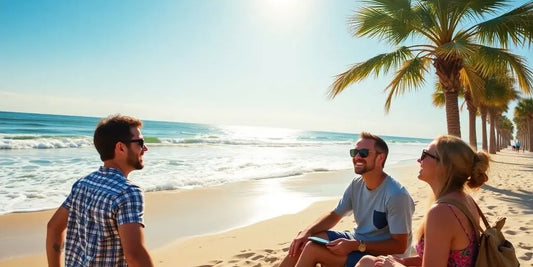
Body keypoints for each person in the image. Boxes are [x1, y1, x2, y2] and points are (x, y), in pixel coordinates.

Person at [279, 132, 415, 267]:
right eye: (354, 152)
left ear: (380, 158)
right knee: (303, 242)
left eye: (363, 153)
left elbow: (399, 246)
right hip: (356, 241)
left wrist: (357, 246)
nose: (356, 157)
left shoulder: (396, 195)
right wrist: (306, 232)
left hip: (380, 258)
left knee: (312, 249)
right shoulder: (356, 184)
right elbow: (334, 215)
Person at [356, 135, 489, 267]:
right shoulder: (464, 199)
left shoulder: (442, 212)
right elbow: (444, 257)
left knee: (367, 263)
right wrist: (403, 261)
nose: (419, 160)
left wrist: (394, 266)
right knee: (368, 261)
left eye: (425, 154)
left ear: (444, 165)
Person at [46, 115, 154, 267]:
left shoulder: (83, 184)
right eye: (140, 143)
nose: (145, 148)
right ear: (121, 147)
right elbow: (134, 256)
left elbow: (53, 227)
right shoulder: (128, 192)